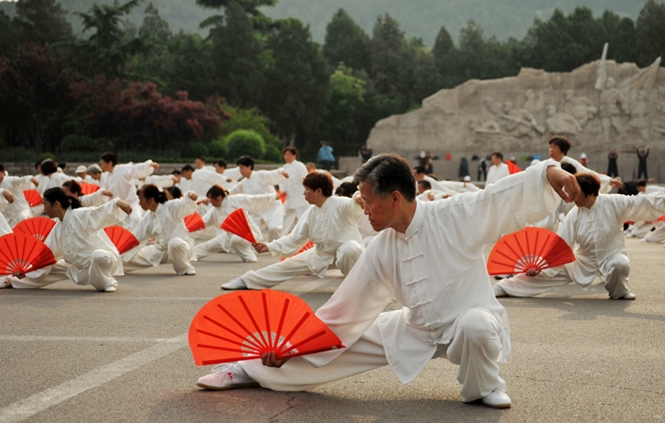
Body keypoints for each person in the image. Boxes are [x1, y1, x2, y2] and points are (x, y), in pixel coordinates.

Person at [198, 154, 579, 409]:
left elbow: (502, 196)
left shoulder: (455, 214)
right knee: (330, 345)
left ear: (395, 198)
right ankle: (247, 369)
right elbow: (342, 311)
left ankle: (485, 387)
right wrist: (288, 347)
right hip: (412, 328)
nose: (364, 209)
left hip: (468, 320)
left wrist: (552, 171)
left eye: (368, 201)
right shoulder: (381, 246)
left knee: (476, 326)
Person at [494, 173, 665, 300]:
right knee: (545, 274)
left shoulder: (614, 203)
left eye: (575, 193)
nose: (571, 197)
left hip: (611, 255)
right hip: (582, 261)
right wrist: (541, 266)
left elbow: (643, 203)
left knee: (620, 264)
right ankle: (506, 287)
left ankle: (619, 292)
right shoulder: (574, 214)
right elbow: (560, 244)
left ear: (589, 193)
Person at [220, 172, 364, 290]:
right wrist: (269, 246)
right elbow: (294, 239)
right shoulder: (311, 212)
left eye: (307, 189)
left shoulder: (341, 203)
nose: (304, 194)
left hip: (346, 253)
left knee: (350, 248)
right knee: (284, 267)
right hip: (321, 254)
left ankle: (356, 288)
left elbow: (354, 203)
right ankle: (247, 281)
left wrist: (359, 197)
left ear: (318, 191)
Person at [0, 188, 131, 291]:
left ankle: (107, 282)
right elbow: (46, 256)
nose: (44, 208)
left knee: (98, 255)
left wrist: (118, 203)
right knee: (47, 268)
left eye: (45, 204)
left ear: (56, 204)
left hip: (103, 263)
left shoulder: (80, 215)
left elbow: (99, 212)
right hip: (78, 269)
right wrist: (25, 271)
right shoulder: (58, 228)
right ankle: (11, 280)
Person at [126, 184, 199, 275]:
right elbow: (135, 238)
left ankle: (185, 268)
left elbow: (184, 202)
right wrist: (119, 250)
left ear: (151, 200)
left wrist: (190, 195)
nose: (139, 203)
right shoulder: (148, 218)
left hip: (181, 248)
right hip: (160, 252)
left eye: (141, 200)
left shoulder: (170, 206)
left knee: (175, 242)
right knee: (126, 258)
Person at [193, 185, 279, 262]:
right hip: (228, 236)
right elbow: (202, 223)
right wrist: (188, 228)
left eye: (211, 198)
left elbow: (254, 199)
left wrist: (273, 196)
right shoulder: (215, 210)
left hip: (248, 233)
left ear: (219, 197)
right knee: (205, 247)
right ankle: (188, 255)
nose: (210, 201)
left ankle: (250, 257)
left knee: (236, 239)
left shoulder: (235, 200)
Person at [228, 156, 288, 241]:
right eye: (239, 168)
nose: (240, 170)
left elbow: (273, 174)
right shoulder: (244, 183)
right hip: (257, 211)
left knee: (274, 228)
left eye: (242, 167)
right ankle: (247, 246)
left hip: (272, 207)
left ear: (249, 166)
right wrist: (222, 193)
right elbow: (233, 190)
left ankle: (273, 247)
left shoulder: (260, 175)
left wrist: (282, 172)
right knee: (248, 232)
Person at [99, 152, 158, 227]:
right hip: (118, 206)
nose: (101, 165)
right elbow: (103, 191)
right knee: (113, 225)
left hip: (132, 202)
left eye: (102, 163)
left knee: (136, 219)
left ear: (109, 163)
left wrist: (148, 165)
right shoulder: (104, 176)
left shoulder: (123, 169)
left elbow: (136, 168)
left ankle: (137, 238)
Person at [280, 146, 309, 235]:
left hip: (300, 197)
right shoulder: (284, 167)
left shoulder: (299, 165)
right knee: (285, 219)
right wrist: (282, 190)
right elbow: (281, 181)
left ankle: (309, 241)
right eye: (285, 155)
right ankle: (280, 238)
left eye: (288, 154)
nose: (286, 157)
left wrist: (307, 191)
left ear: (294, 155)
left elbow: (305, 179)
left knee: (304, 219)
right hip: (290, 198)